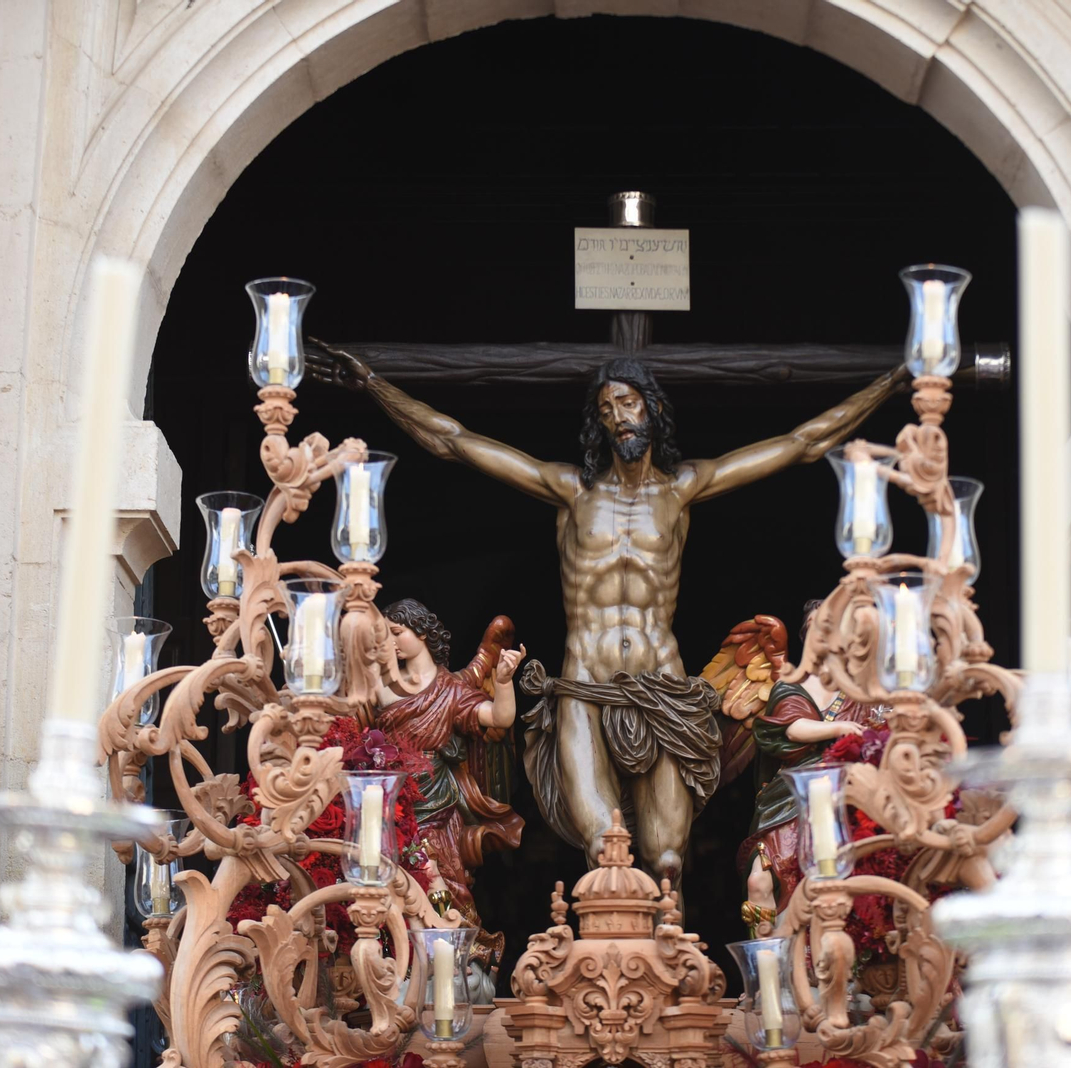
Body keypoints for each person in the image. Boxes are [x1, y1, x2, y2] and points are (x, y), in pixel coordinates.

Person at [313, 345, 907, 895]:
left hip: (664, 689)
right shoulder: (572, 491)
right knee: (603, 849)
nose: (619, 417)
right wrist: (370, 382)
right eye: (606, 408)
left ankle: (677, 981)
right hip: (584, 686)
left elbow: (803, 441)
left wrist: (892, 381)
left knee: (668, 855)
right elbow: (454, 440)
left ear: (652, 409)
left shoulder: (681, 490)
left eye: (628, 403)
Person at [371, 598, 525, 922]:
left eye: (397, 632)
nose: (392, 642)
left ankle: (450, 948)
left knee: (443, 885)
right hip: (390, 807)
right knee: (387, 892)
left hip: (437, 809)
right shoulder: (382, 685)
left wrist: (503, 682)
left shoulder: (452, 691)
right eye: (386, 635)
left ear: (422, 632)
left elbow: (500, 717)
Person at [739, 600, 887, 922]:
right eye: (815, 627)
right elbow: (792, 729)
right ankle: (772, 965)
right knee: (760, 881)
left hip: (845, 797)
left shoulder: (864, 690)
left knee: (841, 887)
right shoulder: (791, 684)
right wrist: (838, 727)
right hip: (791, 799)